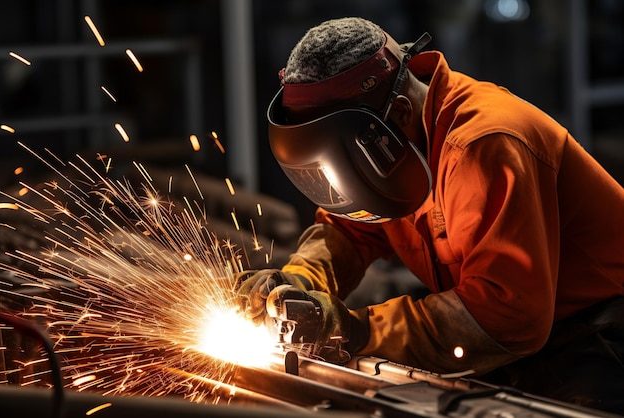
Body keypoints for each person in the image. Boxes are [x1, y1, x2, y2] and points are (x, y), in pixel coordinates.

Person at [235, 17, 624, 413]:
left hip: (603, 338)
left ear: (399, 114)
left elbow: (507, 316)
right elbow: (353, 228)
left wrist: (355, 330)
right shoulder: (397, 145)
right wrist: (298, 281)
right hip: (527, 338)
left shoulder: (483, 146)